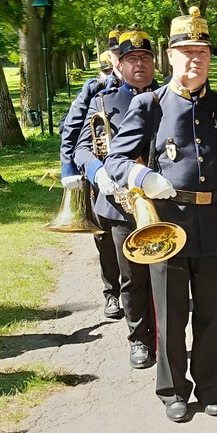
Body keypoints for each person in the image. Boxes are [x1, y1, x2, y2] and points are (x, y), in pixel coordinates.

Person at [104, 7, 217, 422]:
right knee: (170, 314)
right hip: (166, 226)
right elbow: (116, 159)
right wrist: (142, 176)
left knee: (211, 313)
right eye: (187, 52)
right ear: (170, 56)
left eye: (202, 53)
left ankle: (210, 387)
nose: (195, 60)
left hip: (215, 222)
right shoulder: (149, 104)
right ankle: (173, 390)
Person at [74, 28, 160, 369]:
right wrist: (98, 173)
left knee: (169, 276)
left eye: (145, 58)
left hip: (165, 199)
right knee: (133, 277)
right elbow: (82, 148)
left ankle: (169, 337)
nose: (139, 64)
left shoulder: (170, 97)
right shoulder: (102, 102)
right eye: (131, 59)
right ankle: (139, 339)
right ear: (119, 65)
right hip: (121, 203)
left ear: (155, 62)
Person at [60, 36, 123, 321]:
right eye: (115, 55)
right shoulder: (94, 89)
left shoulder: (147, 86)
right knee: (105, 238)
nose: (119, 60)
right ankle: (112, 293)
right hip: (100, 174)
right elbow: (72, 128)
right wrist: (68, 168)